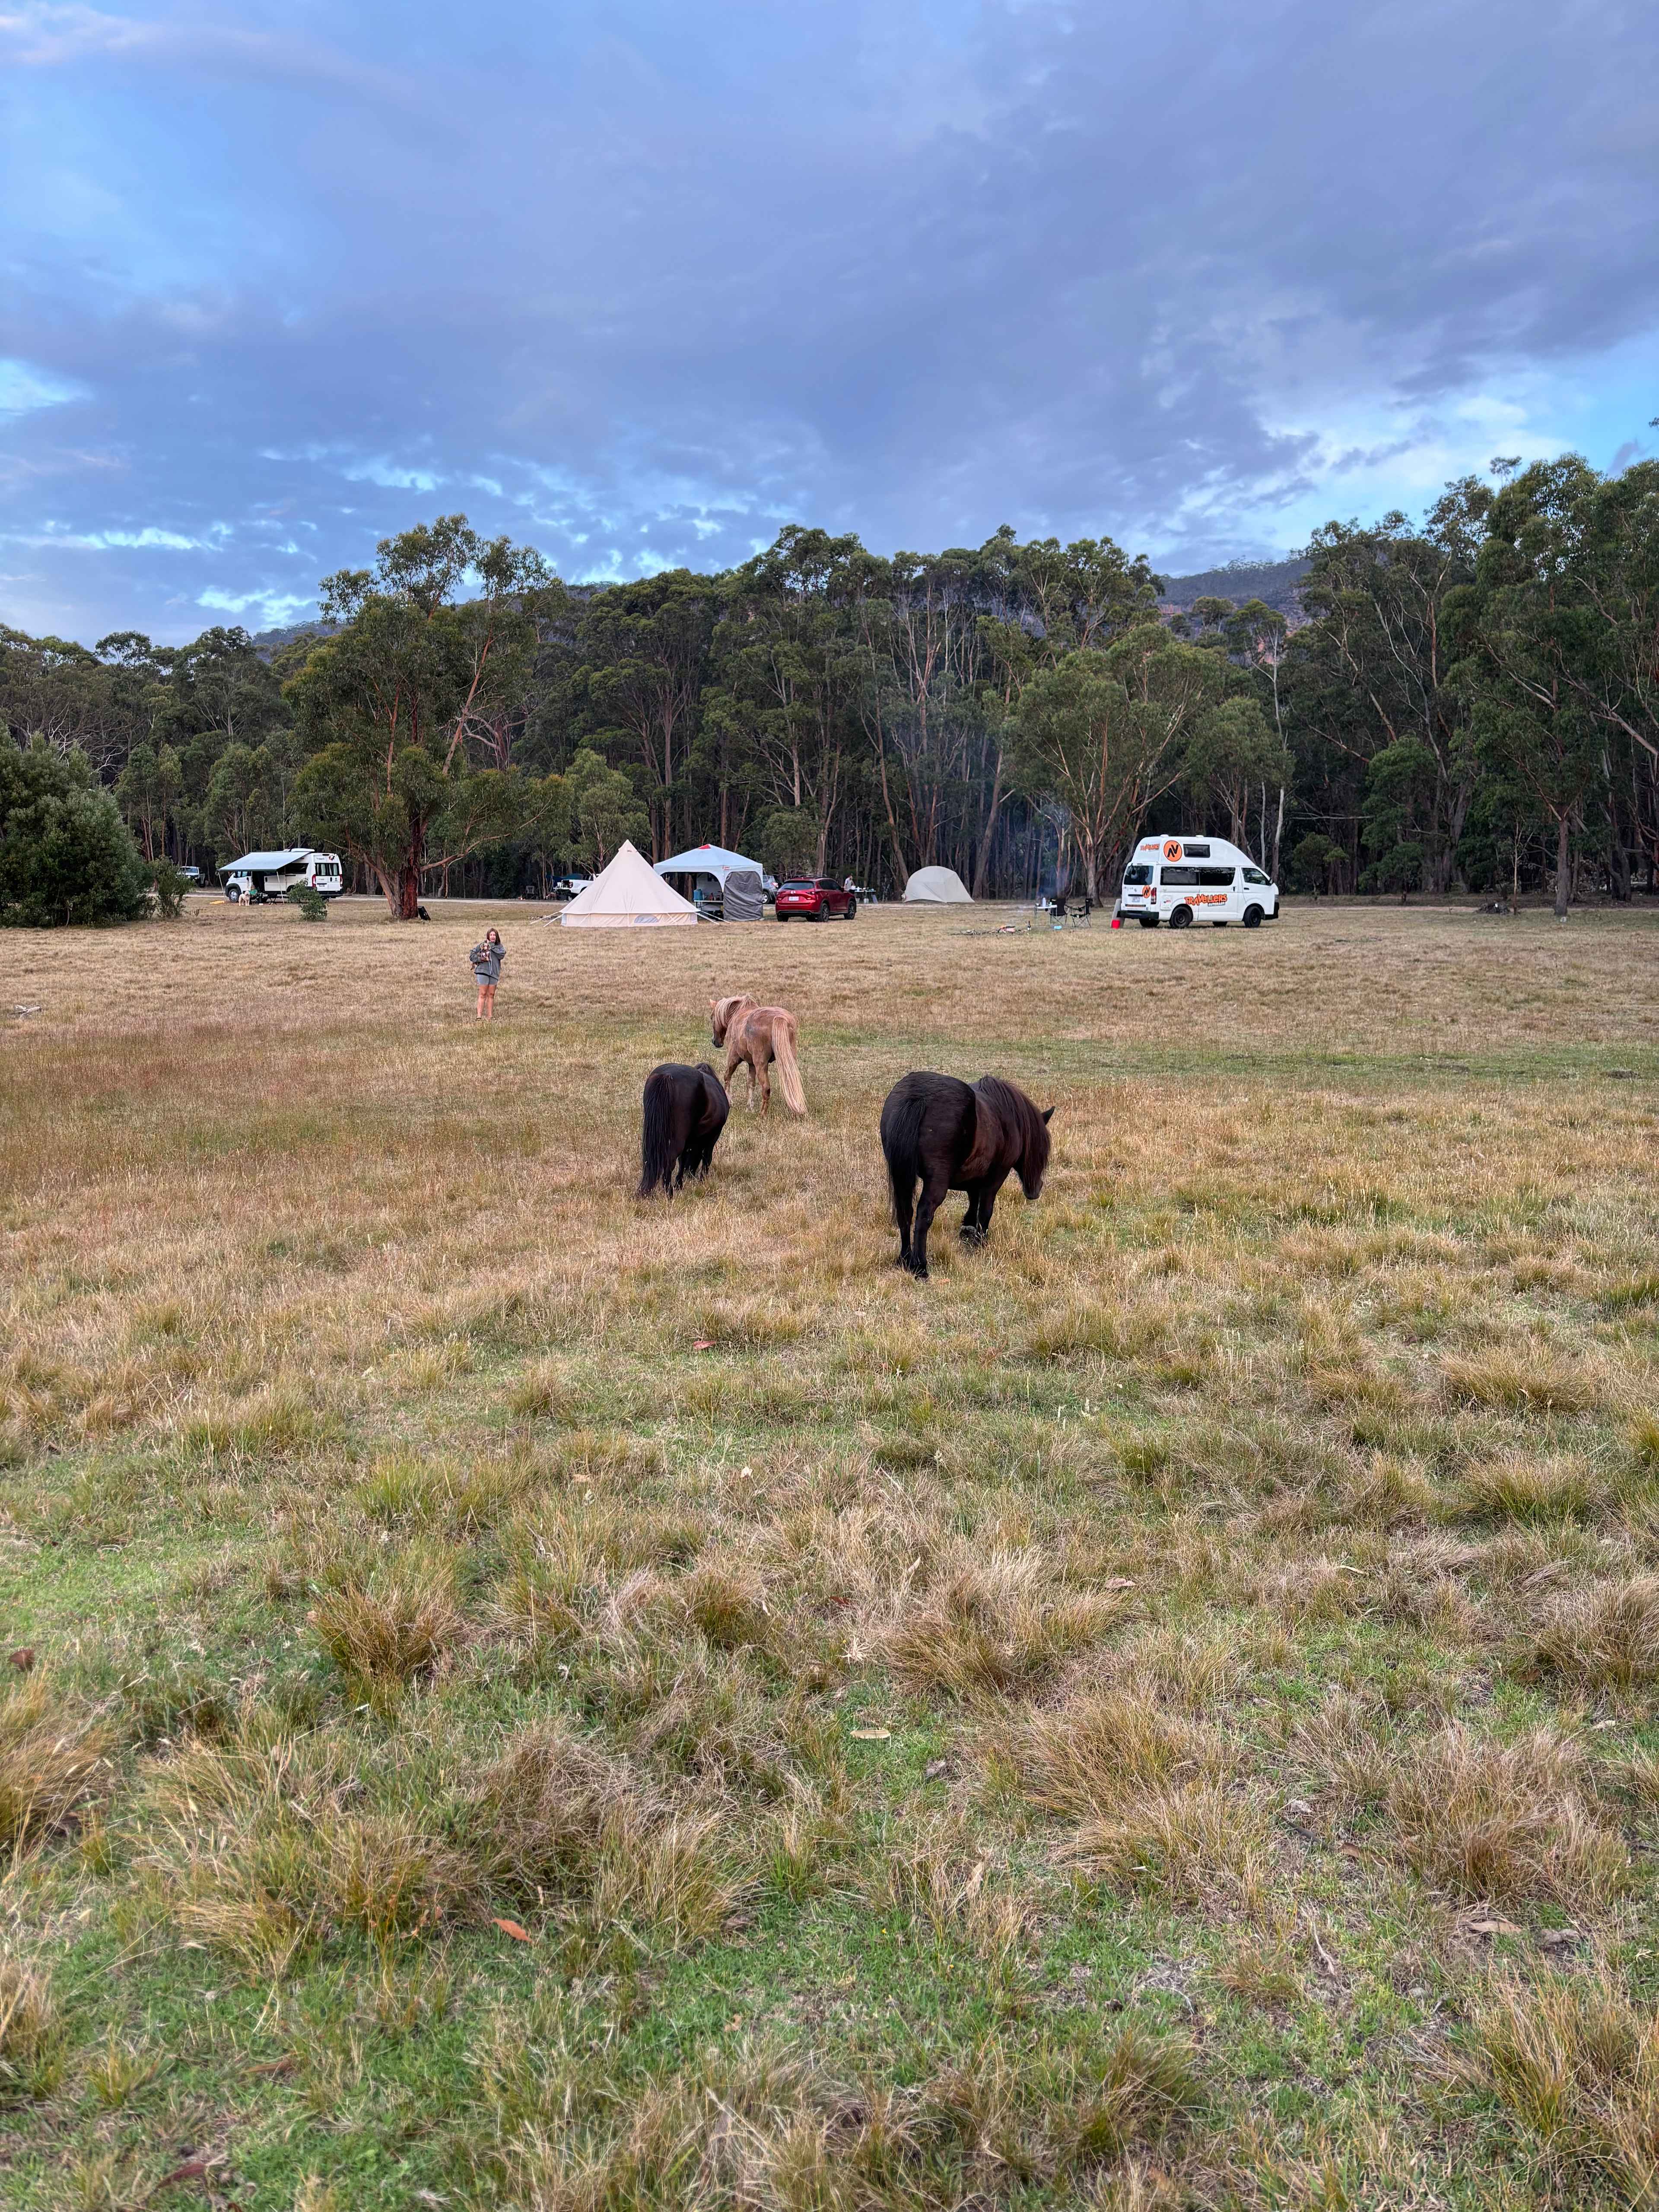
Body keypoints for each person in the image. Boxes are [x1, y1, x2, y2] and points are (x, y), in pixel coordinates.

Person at [469, 927, 504, 1020]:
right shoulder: (482, 945)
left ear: (497, 937)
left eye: (494, 935)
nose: (493, 937)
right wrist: (481, 959)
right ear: (488, 936)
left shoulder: (500, 947)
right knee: (483, 993)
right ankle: (479, 1017)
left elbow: (502, 955)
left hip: (494, 973)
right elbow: (472, 955)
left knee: (491, 994)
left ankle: (490, 1017)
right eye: (491, 935)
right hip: (483, 972)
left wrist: (491, 947)